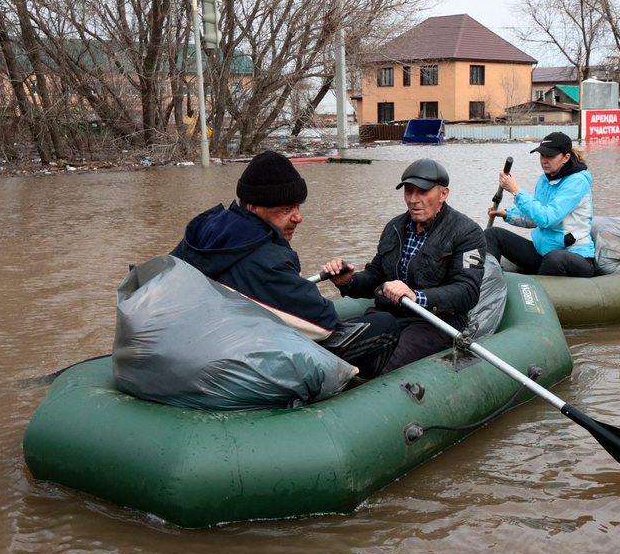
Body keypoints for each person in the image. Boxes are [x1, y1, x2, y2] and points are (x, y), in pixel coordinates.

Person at [170, 151, 400, 378]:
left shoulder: (204, 228)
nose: (298, 217)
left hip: (195, 342)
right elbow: (322, 323)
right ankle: (355, 389)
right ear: (253, 208)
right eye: (286, 209)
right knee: (384, 325)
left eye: (298, 206)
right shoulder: (267, 258)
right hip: (235, 359)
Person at [323, 158, 486, 375]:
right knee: (332, 354)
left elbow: (468, 292)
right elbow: (375, 275)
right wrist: (349, 281)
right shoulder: (394, 227)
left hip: (435, 322)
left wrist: (416, 296)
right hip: (387, 316)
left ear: (443, 194)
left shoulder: (467, 232)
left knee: (380, 367)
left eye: (422, 192)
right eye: (409, 192)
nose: (413, 200)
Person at [485, 131, 597, 278]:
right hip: (542, 252)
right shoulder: (544, 180)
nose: (544, 160)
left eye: (550, 156)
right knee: (492, 234)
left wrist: (516, 190)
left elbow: (547, 218)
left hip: (575, 256)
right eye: (542, 155)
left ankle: (535, 293)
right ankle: (487, 283)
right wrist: (506, 214)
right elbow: (536, 219)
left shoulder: (577, 182)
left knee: (556, 258)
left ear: (566, 157)